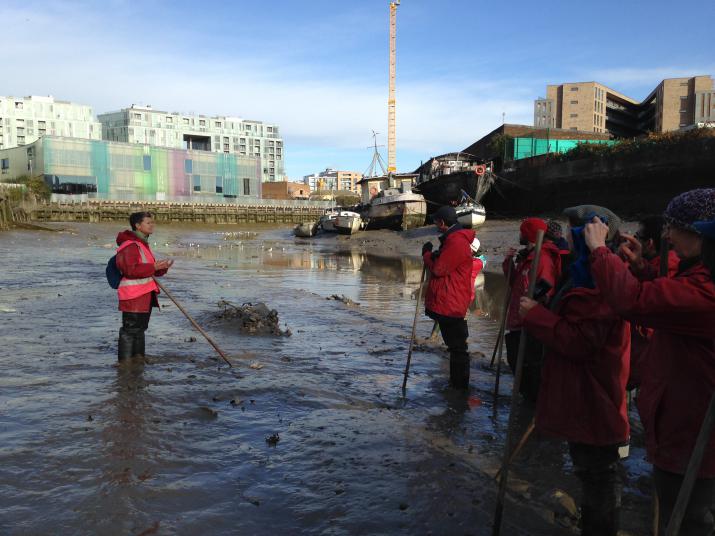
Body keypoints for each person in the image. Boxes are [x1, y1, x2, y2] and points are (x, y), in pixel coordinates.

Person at [585, 188, 715, 535]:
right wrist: (642, 266)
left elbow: (635, 301)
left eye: (675, 227)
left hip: (694, 437)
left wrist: (599, 252)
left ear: (703, 234)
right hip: (680, 426)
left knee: (688, 520)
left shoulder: (706, 290)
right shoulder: (696, 278)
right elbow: (664, 297)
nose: (667, 235)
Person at [519, 206, 630, 536]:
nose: (566, 237)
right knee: (588, 471)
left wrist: (537, 316)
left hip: (595, 396)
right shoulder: (582, 274)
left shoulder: (600, 285)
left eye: (572, 231)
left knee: (598, 479)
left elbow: (581, 341)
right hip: (582, 394)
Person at [502, 217, 561, 402]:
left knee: (529, 368)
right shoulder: (528, 257)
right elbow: (514, 282)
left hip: (529, 322)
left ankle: (533, 405)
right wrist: (509, 262)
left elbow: (546, 287)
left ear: (528, 235)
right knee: (517, 363)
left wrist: (531, 302)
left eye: (521, 232)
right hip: (519, 319)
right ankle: (528, 402)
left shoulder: (541, 258)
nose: (519, 235)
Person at [422, 205, 476, 389]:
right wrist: (435, 255)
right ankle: (456, 385)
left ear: (442, 223)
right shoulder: (452, 239)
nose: (435, 224)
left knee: (458, 348)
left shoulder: (456, 241)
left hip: (452, 302)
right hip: (450, 299)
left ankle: (460, 388)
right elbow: (444, 263)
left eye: (436, 221)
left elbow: (439, 269)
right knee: (455, 347)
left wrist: (427, 256)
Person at [623, 215, 679, 389]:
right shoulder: (655, 267)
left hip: (647, 353)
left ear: (650, 244)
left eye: (638, 237)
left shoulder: (668, 269)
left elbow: (635, 299)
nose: (634, 241)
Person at [115, 211, 173, 363]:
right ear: (137, 226)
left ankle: (138, 358)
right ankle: (126, 363)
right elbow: (131, 269)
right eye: (148, 222)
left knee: (140, 330)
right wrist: (153, 266)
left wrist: (161, 267)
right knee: (130, 331)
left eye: (152, 222)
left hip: (144, 295)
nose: (152, 225)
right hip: (133, 295)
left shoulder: (142, 244)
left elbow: (148, 269)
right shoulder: (130, 245)